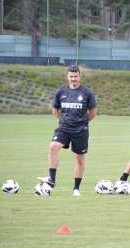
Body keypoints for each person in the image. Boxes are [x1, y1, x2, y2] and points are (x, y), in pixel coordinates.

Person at [38, 65, 97, 196]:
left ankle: (76, 188)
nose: (73, 79)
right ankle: (52, 179)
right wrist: (63, 120)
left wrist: (83, 122)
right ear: (67, 77)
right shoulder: (61, 92)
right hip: (64, 128)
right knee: (53, 147)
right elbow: (55, 110)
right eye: (71, 76)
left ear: (79, 76)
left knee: (79, 158)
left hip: (80, 130)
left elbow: (93, 112)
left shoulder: (87, 93)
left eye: (76, 76)